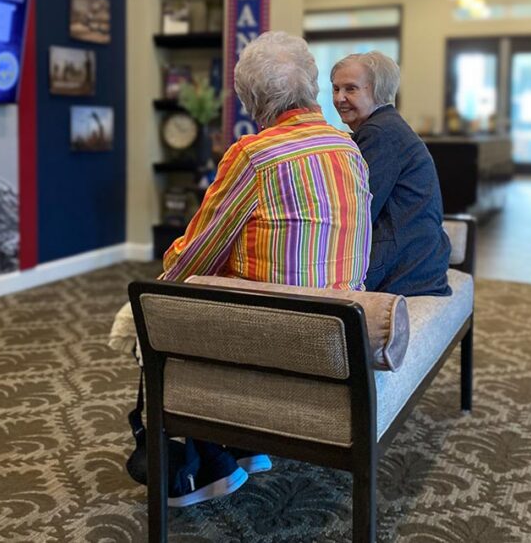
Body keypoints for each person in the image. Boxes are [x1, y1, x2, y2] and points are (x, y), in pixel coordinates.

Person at [158, 31, 372, 507]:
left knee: (156, 306)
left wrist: (169, 266)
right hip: (342, 336)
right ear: (313, 85)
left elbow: (191, 258)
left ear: (251, 99)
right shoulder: (348, 148)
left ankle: (204, 467)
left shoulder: (254, 155)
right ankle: (245, 446)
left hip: (281, 339)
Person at [331, 52, 450, 297]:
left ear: (378, 90)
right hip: (419, 257)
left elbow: (359, 212)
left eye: (350, 89)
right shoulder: (386, 125)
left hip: (405, 268)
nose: (339, 98)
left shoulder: (379, 133)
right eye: (335, 89)